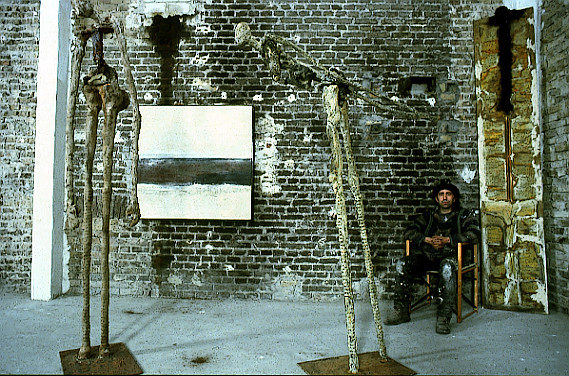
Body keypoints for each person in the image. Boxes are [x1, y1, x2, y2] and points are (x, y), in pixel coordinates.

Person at [385, 181, 481, 334]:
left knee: (447, 268)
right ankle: (401, 311)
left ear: (454, 198)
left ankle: (444, 317)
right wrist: (427, 240)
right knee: (402, 263)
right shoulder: (429, 216)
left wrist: (447, 240)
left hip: (451, 258)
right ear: (436, 199)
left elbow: (474, 233)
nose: (445, 198)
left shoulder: (463, 215)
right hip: (427, 258)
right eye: (441, 194)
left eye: (448, 194)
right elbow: (409, 231)